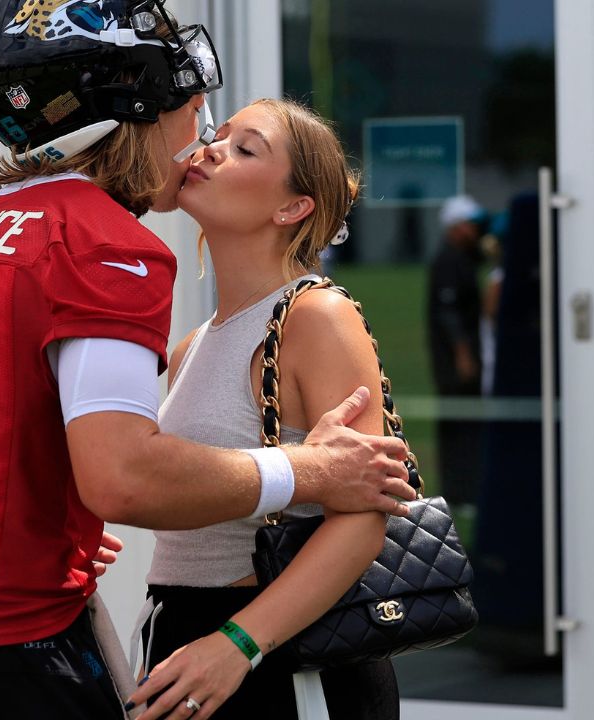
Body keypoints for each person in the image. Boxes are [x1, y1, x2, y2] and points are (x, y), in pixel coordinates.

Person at [0, 3, 414, 719]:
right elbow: (124, 476)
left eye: (237, 142)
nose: (198, 140)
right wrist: (308, 470)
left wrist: (41, 520)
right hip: (9, 655)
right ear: (129, 104)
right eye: (193, 111)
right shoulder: (101, 242)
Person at [124, 99, 401, 720]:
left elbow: (364, 516)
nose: (211, 149)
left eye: (246, 148)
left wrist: (237, 645)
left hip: (281, 653)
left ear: (291, 208)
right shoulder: (194, 344)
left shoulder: (317, 316)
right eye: (216, 136)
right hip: (182, 636)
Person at [427, 194, 487, 512]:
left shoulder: (461, 257)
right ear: (456, 227)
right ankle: (459, 491)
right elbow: (447, 314)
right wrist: (464, 355)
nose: (475, 231)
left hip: (458, 358)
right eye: (470, 225)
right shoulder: (449, 260)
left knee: (465, 424)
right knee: (459, 425)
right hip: (453, 362)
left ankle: (465, 488)